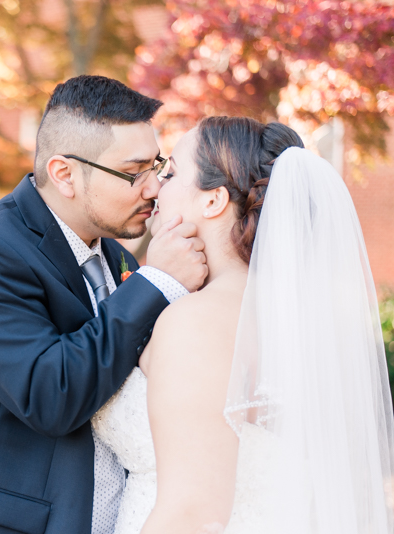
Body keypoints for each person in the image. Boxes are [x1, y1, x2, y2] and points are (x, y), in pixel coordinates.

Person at [0, 75, 208, 534]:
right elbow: (49, 394)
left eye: (157, 166)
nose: (153, 188)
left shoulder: (117, 258)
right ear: (64, 174)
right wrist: (157, 281)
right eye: (134, 172)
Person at [92, 116, 394, 533]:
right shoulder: (298, 323)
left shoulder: (196, 322)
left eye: (173, 172)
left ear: (213, 201)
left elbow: (193, 513)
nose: (157, 186)